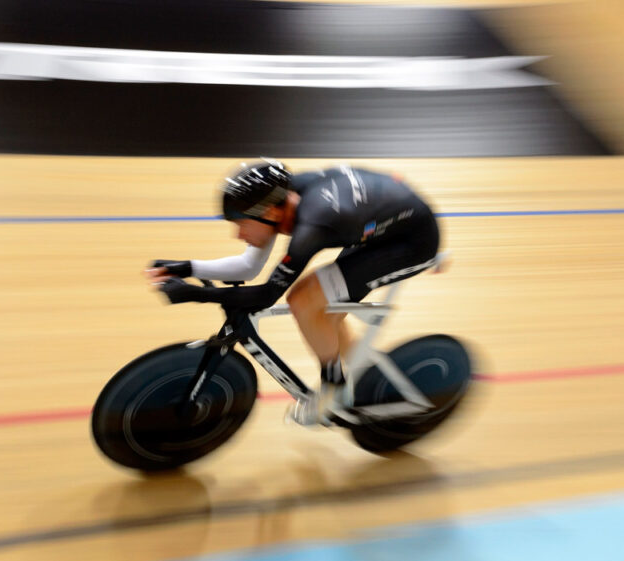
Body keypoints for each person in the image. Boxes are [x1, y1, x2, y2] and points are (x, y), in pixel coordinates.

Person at [145, 158, 441, 426]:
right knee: (326, 317)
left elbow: (265, 296)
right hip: (378, 225)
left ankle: (334, 388)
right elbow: (249, 267)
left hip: (410, 243)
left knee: (303, 300)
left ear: (271, 213)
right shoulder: (279, 198)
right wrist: (186, 269)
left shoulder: (313, 224)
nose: (238, 235)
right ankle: (367, 377)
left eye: (241, 224)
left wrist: (196, 295)